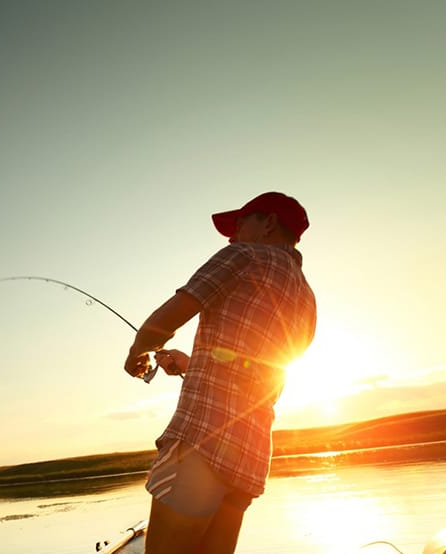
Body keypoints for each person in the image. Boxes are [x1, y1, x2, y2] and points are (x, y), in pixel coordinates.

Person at [124, 192, 317, 554]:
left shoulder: (243, 255)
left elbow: (165, 320)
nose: (231, 237)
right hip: (250, 459)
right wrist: (191, 365)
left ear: (269, 223)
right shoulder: (307, 298)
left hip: (201, 445)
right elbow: (261, 374)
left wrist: (138, 352)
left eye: (240, 224)